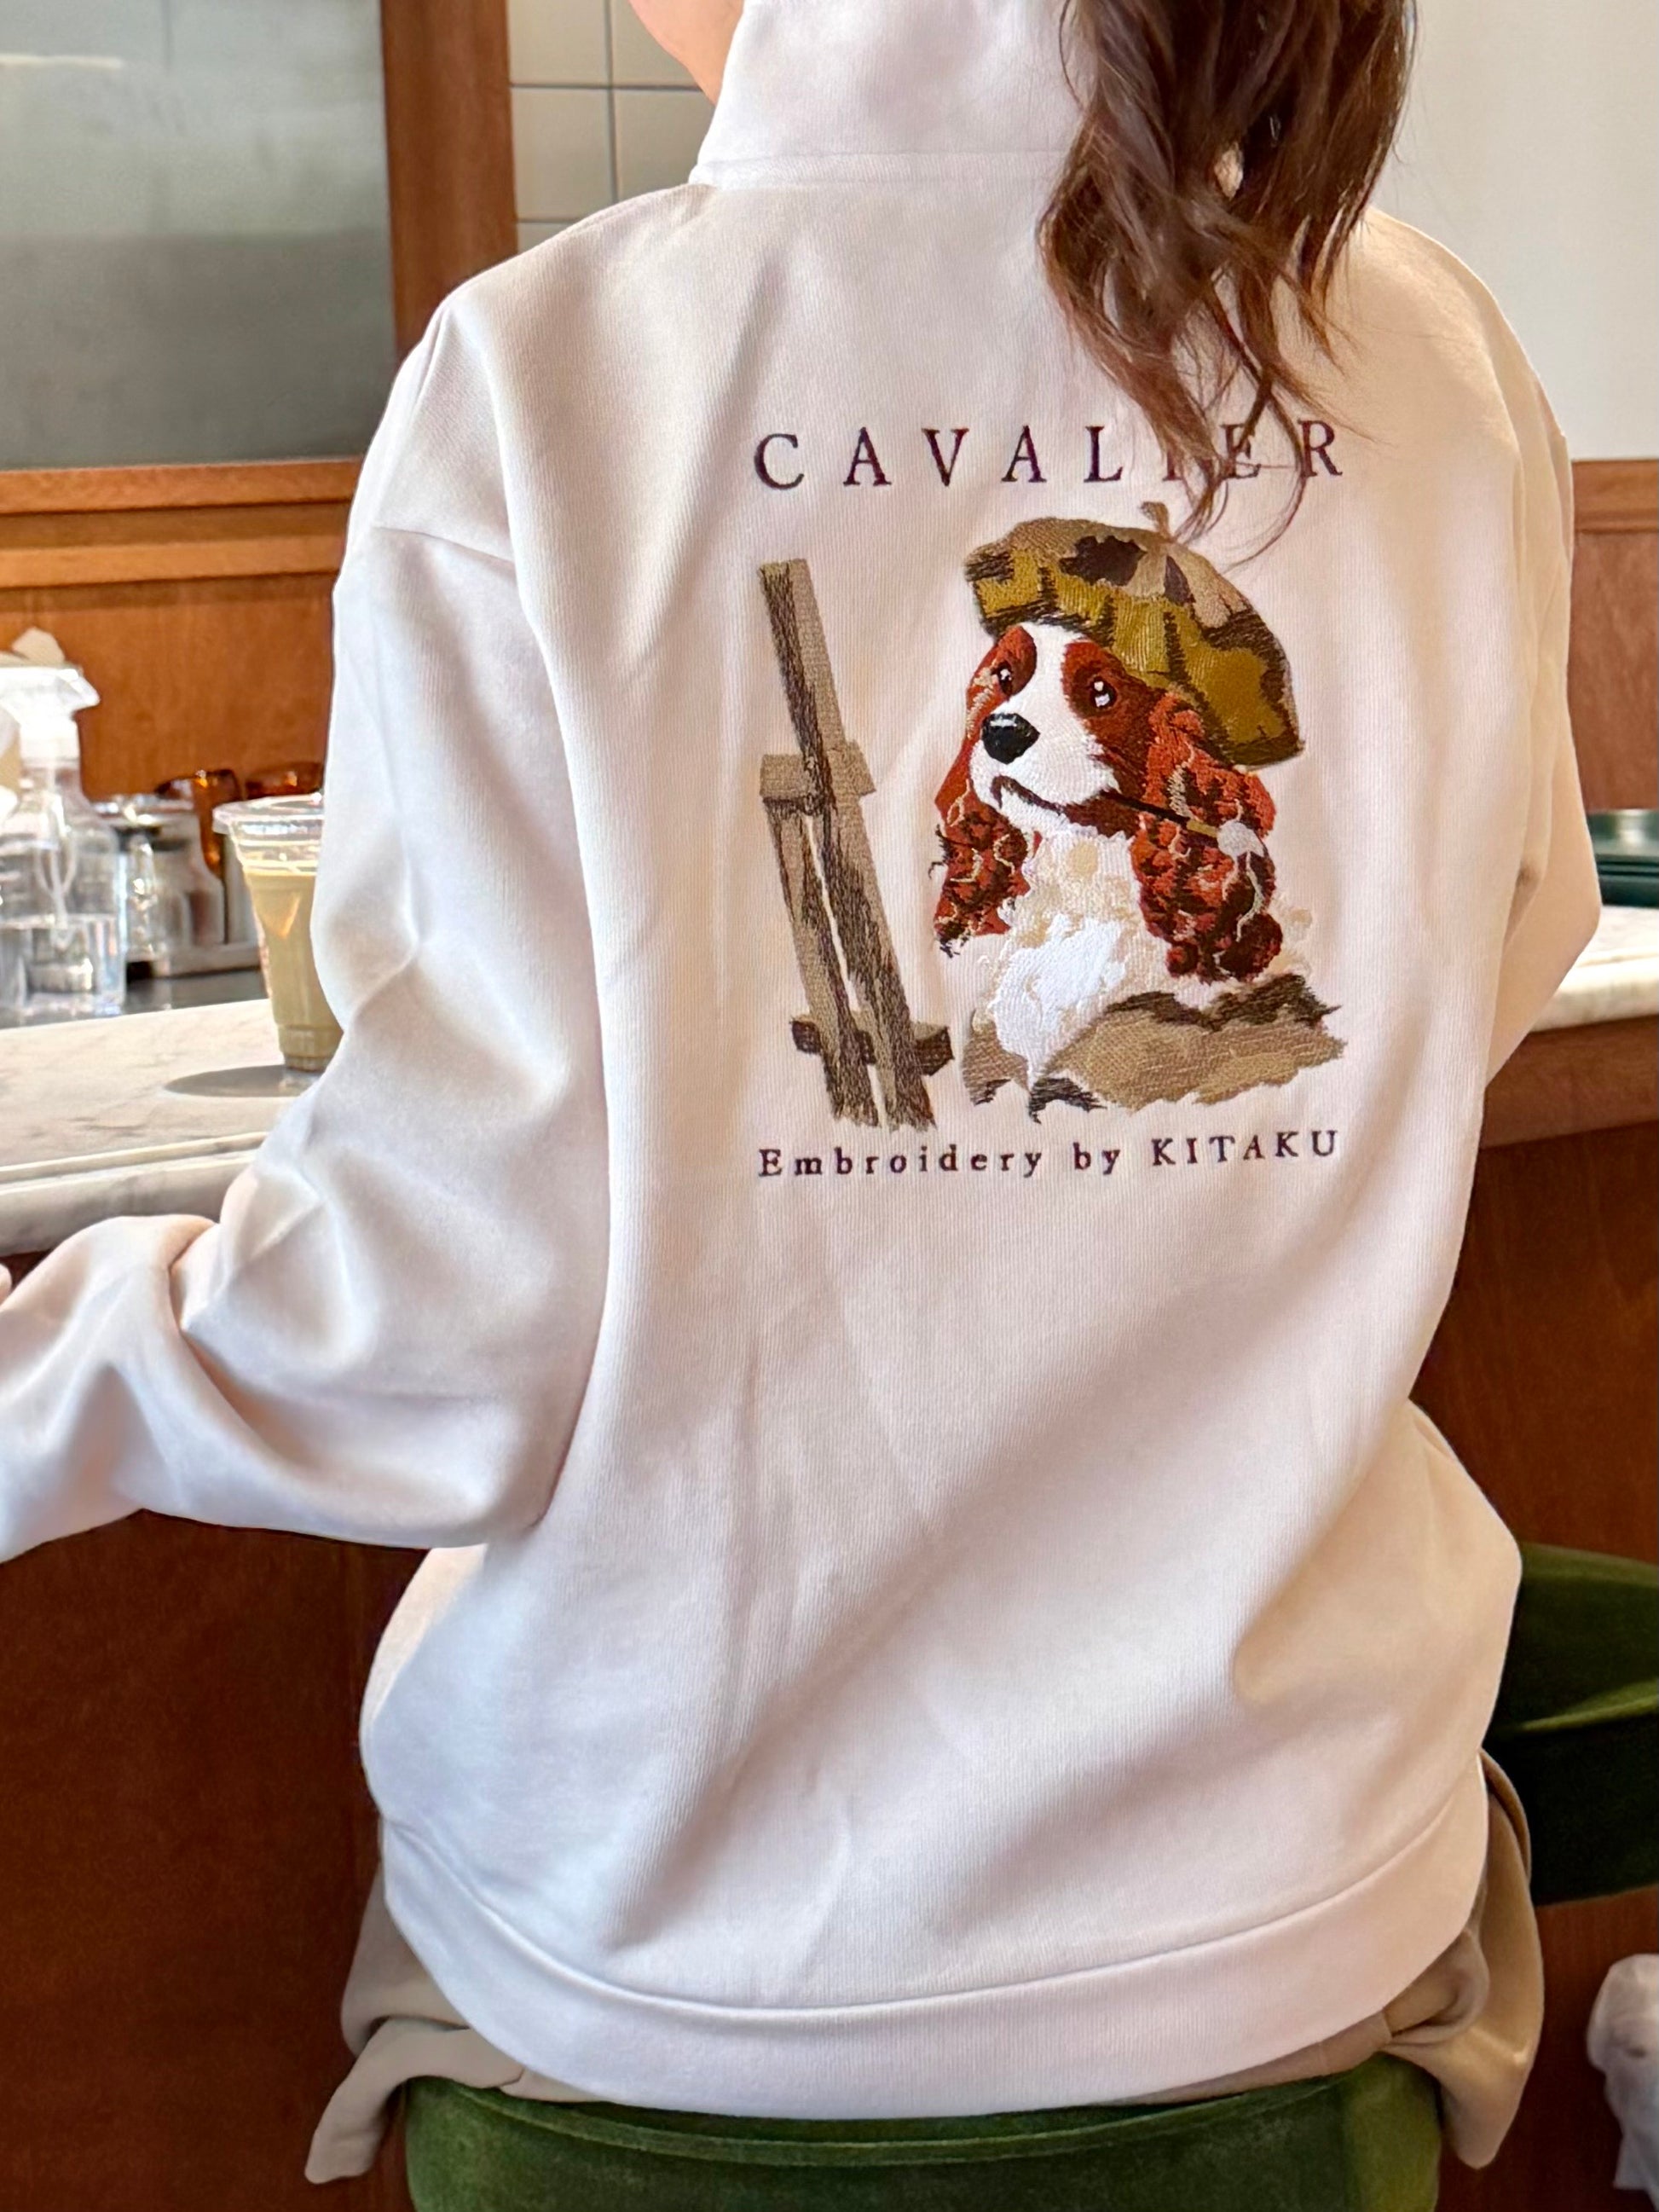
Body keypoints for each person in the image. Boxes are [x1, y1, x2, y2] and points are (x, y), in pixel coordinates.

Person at [0, 0, 1597, 2197]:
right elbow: (1479, 989)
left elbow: (433, 1349)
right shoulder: (1432, 359)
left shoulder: (548, 382)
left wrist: (49, 1381)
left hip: (666, 1949)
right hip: (1288, 1918)